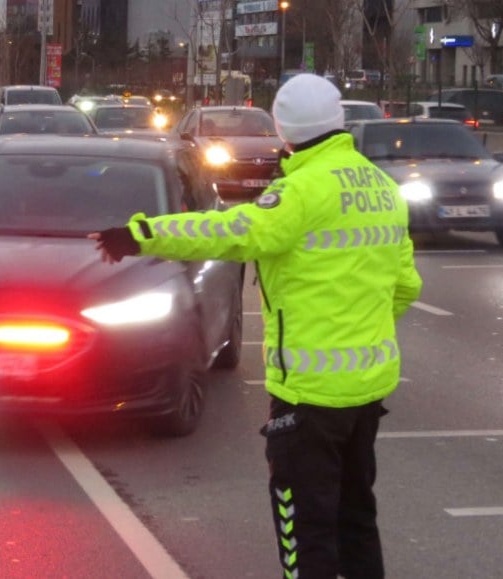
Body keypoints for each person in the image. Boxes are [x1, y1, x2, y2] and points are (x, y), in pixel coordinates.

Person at [90, 73, 422, 579]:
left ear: (286, 132)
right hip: (366, 391)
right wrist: (360, 331)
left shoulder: (301, 192)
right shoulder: (383, 189)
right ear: (338, 122)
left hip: (308, 397)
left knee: (305, 534)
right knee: (356, 519)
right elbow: (406, 287)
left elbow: (228, 231)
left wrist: (142, 234)